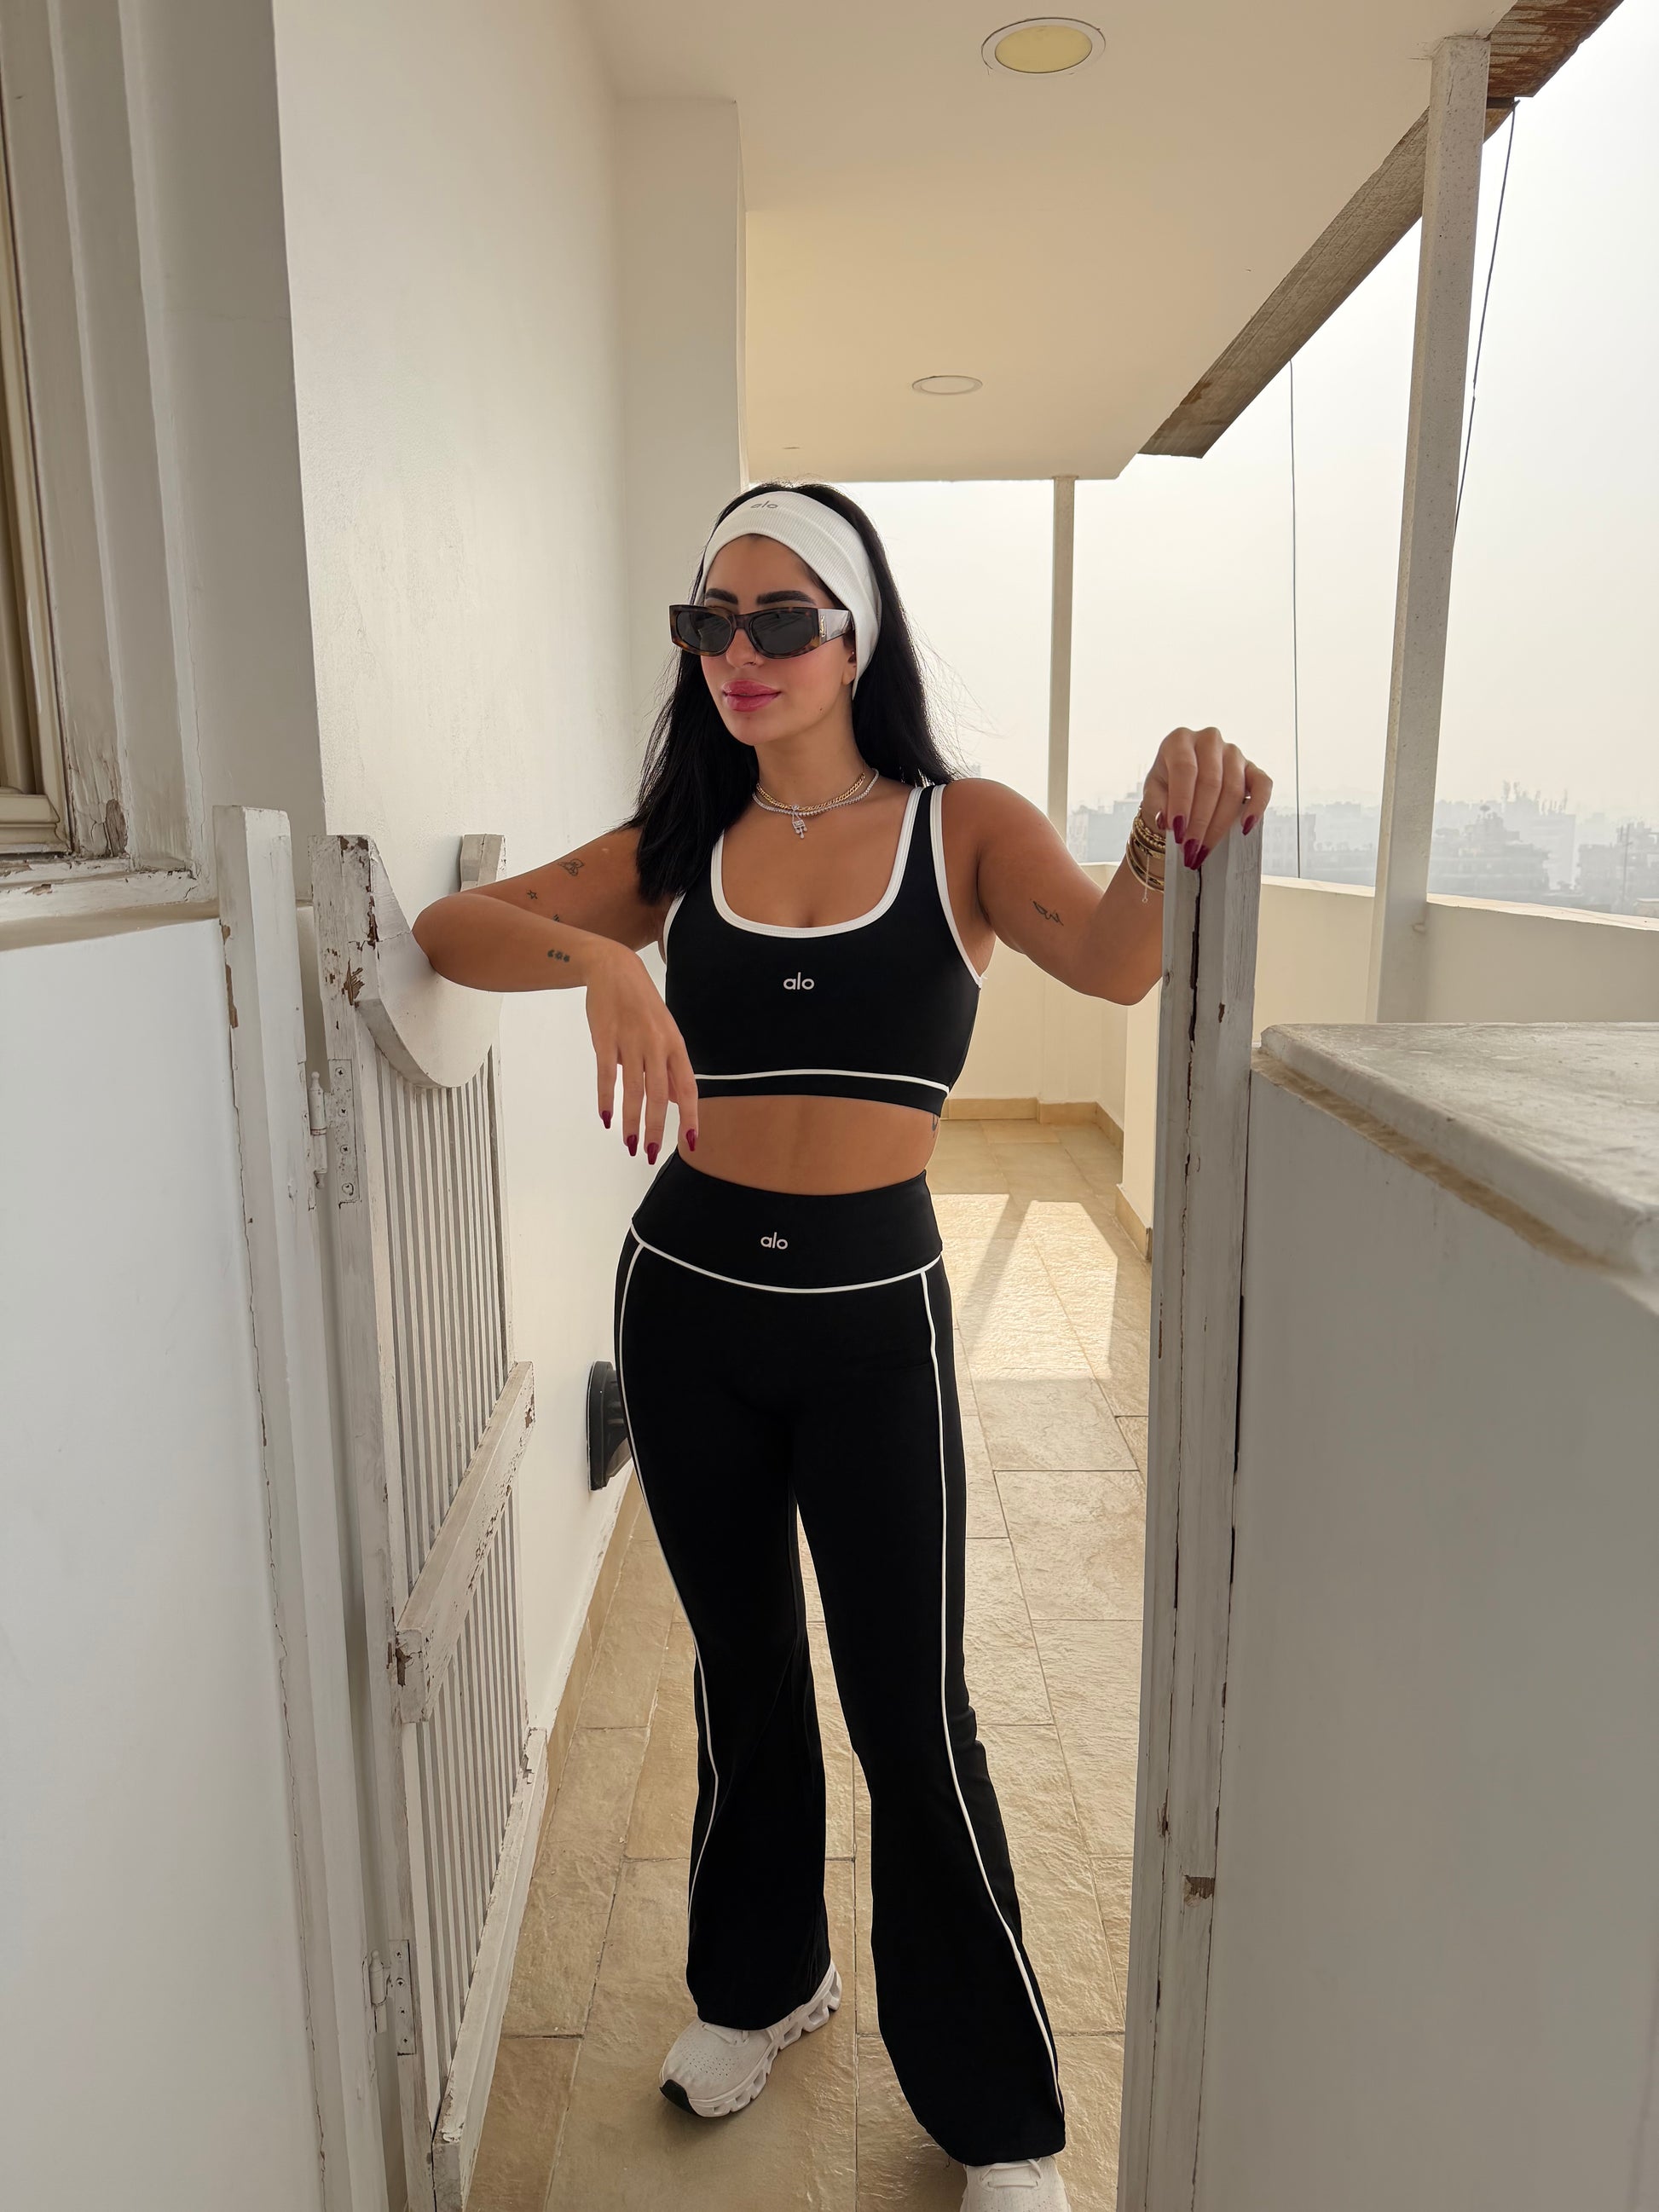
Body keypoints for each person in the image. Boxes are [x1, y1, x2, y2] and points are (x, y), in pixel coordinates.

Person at [413, 482, 1271, 2211]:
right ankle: (762, 1984)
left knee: (911, 1707)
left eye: (780, 618)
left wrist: (1166, 815)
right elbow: (449, 931)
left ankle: (996, 2114)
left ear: (855, 637)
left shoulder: (962, 827)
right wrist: (602, 963)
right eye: (707, 622)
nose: (738, 651)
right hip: (686, 1306)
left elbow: (1117, 963)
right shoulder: (684, 840)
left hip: (873, 1320)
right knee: (740, 1671)